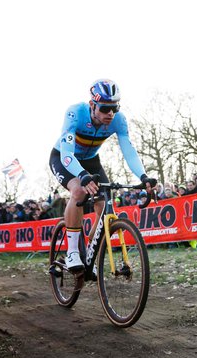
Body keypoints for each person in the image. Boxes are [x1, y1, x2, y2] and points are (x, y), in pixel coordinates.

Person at [48, 79, 156, 272]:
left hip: (91, 160)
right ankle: (72, 251)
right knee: (79, 191)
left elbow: (128, 150)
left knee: (105, 204)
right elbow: (67, 154)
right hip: (64, 158)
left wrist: (143, 176)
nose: (111, 114)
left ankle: (90, 250)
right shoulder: (75, 113)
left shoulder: (118, 120)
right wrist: (81, 175)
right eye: (105, 109)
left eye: (114, 108)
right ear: (92, 105)